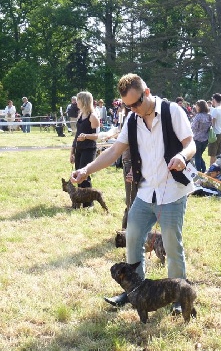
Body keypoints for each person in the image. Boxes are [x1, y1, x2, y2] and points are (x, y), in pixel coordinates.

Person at [71, 73, 196, 314]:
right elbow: (114, 152)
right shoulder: (132, 120)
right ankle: (134, 291)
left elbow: (190, 143)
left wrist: (182, 156)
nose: (135, 109)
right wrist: (86, 170)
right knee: (133, 238)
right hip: (146, 191)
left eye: (137, 103)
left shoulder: (172, 112)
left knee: (171, 245)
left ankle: (179, 297)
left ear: (146, 92)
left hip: (173, 191)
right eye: (129, 106)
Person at [69, 91, 100, 207]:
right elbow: (77, 135)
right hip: (79, 148)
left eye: (78, 99)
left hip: (89, 149)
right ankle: (80, 200)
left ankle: (89, 204)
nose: (76, 102)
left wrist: (86, 136)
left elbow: (98, 136)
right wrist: (72, 151)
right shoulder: (80, 115)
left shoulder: (93, 116)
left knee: (85, 175)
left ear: (84, 101)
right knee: (78, 175)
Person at [191, 99, 212, 172]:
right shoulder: (209, 116)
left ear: (200, 107)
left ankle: (199, 172)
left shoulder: (198, 116)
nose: (196, 107)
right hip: (205, 139)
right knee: (199, 155)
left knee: (197, 156)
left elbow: (193, 128)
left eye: (197, 106)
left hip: (197, 139)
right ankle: (204, 169)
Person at [208, 93, 221, 165]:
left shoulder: (216, 110)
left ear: (214, 100)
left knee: (213, 155)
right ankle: (217, 172)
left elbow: (212, 123)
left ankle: (211, 172)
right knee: (219, 155)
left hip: (215, 134)